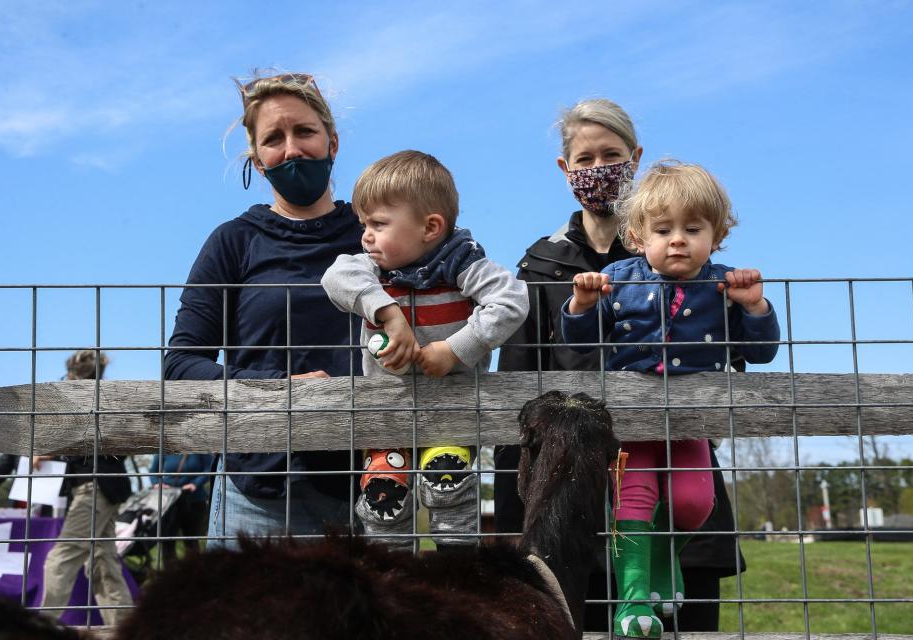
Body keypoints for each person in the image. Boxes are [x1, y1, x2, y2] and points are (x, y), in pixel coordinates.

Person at [494, 99, 747, 633]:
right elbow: (514, 379)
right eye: (584, 158)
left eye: (610, 155)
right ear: (566, 170)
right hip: (571, 495)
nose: (597, 169)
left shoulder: (683, 248)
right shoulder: (541, 264)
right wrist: (516, 518)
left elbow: (732, 360)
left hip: (681, 470)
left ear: (634, 159)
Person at [562, 160, 780, 638]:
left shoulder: (724, 286)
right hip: (629, 421)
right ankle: (633, 600)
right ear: (638, 236)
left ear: (716, 236)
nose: (677, 239)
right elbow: (579, 343)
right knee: (631, 502)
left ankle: (665, 558)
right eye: (663, 229)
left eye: (692, 228)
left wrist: (756, 307)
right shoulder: (618, 279)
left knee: (693, 502)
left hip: (690, 420)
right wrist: (581, 306)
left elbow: (761, 352)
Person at [164, 72, 364, 549]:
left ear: (332, 141)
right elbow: (180, 363)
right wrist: (276, 392)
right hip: (255, 492)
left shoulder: (375, 234)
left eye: (305, 132)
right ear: (257, 158)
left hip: (366, 487)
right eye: (274, 138)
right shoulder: (233, 242)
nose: (292, 149)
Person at [321, 150, 528, 549]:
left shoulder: (465, 264)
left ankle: (457, 575)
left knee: (446, 480)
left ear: (430, 227)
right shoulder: (370, 268)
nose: (366, 235)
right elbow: (335, 277)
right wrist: (389, 313)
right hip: (387, 410)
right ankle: (392, 578)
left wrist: (455, 349)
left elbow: (512, 300)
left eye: (378, 224)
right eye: (364, 224)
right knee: (385, 493)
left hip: (452, 406)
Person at [40, 350, 133, 627]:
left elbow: (88, 446)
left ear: (73, 376)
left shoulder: (86, 403)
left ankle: (42, 625)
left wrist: (51, 451)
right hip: (108, 486)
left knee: (62, 557)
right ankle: (125, 627)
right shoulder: (108, 402)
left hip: (94, 487)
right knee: (103, 561)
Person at [148, 453, 214, 561]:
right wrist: (158, 483)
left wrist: (195, 484)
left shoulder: (201, 449)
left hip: (194, 500)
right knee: (167, 541)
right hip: (170, 502)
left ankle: (195, 575)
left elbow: (209, 469)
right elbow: (153, 472)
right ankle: (170, 575)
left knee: (192, 542)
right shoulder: (165, 448)